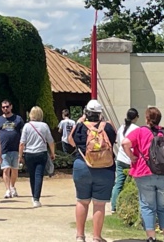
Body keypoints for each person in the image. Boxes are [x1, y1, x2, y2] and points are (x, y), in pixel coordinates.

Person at [122, 106, 164, 242]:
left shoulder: (140, 131)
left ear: (147, 119)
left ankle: (151, 237)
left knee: (147, 206)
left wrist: (132, 157)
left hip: (144, 172)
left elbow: (125, 143)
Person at [69, 99, 116, 242]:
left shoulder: (80, 127)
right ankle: (96, 237)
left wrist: (79, 122)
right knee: (99, 204)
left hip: (83, 165)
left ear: (86, 113)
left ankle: (80, 236)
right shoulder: (107, 127)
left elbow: (71, 141)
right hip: (105, 167)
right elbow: (114, 140)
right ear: (100, 114)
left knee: (82, 201)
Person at [19, 106, 55, 207]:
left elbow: (22, 143)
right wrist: (52, 153)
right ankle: (36, 198)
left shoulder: (27, 126)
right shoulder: (44, 126)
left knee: (32, 175)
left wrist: (20, 155)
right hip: (41, 153)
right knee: (39, 175)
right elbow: (50, 141)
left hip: (29, 153)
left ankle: (33, 195)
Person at [110, 108, 139, 213]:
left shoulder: (121, 128)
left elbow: (117, 141)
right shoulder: (136, 128)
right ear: (136, 117)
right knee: (132, 184)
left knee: (118, 183)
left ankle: (113, 206)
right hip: (131, 159)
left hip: (120, 158)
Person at [0, 99, 24, 199]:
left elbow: (23, 133)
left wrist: (22, 149)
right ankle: (7, 189)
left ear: (11, 107)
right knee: (5, 169)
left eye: (7, 106)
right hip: (4, 149)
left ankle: (12, 186)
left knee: (15, 170)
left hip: (16, 148)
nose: (5, 108)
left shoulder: (18, 119)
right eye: (3, 107)